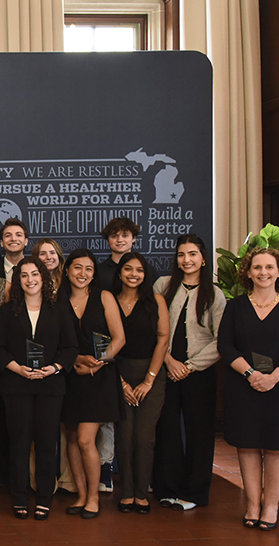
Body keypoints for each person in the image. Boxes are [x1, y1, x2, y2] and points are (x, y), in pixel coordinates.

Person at [218, 247, 279, 531]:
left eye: (270, 267)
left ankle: (271, 506)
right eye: (257, 267)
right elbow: (225, 345)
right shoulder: (235, 306)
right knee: (247, 444)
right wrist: (251, 374)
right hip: (244, 386)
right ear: (247, 272)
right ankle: (253, 504)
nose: (263, 273)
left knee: (277, 448)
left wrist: (273, 378)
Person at [0, 257, 77, 521]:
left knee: (46, 443)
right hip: (17, 386)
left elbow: (71, 348)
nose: (30, 280)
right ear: (18, 280)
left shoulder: (60, 310)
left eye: (34, 275)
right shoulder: (7, 311)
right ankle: (19, 497)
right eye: (24, 276)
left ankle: (43, 498)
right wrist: (17, 368)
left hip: (50, 386)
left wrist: (55, 368)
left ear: (43, 278)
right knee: (18, 443)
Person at [152, 234, 226, 511]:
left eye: (193, 254)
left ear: (203, 259)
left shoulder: (214, 293)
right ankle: (166, 489)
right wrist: (169, 361)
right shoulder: (162, 286)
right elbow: (153, 329)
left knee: (199, 433)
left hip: (199, 373)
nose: (187, 260)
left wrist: (191, 366)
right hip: (165, 368)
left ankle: (194, 491)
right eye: (182, 254)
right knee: (167, 429)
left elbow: (221, 340)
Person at [58, 250, 126, 519]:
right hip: (70, 375)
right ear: (67, 271)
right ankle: (82, 494)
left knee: (87, 440)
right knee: (72, 437)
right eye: (77, 268)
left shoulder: (104, 297)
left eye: (88, 268)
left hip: (101, 376)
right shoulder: (58, 300)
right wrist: (75, 359)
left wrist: (99, 361)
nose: (82, 273)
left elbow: (119, 337)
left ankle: (94, 497)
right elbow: (55, 340)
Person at [112, 252, 169, 515]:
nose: (133, 274)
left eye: (139, 270)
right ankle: (126, 492)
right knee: (124, 436)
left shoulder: (155, 300)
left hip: (151, 374)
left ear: (146, 275)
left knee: (144, 437)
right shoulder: (109, 300)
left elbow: (162, 339)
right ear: (120, 272)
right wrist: (121, 382)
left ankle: (141, 492)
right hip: (117, 373)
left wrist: (149, 380)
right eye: (128, 269)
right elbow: (104, 342)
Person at [95, 216, 140, 492]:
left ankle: (135, 474)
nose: (120, 240)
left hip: (137, 353)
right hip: (105, 352)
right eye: (114, 236)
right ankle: (106, 469)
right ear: (108, 239)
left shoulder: (141, 268)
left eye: (125, 235)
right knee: (106, 418)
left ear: (133, 239)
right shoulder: (99, 272)